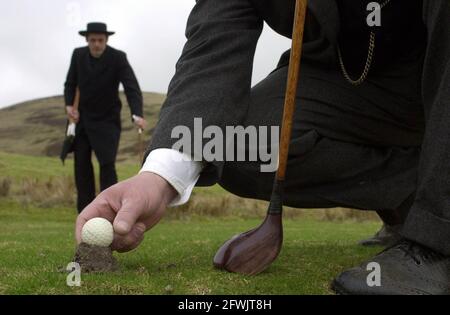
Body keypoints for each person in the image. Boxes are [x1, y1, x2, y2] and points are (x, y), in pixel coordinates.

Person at [75, 1, 450, 294]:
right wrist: (160, 176)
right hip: (343, 81)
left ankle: (439, 232)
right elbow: (216, 35)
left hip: (437, 67)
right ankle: (412, 197)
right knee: (233, 146)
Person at [64, 22, 147, 213]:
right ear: (87, 40)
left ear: (106, 40)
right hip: (83, 121)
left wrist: (137, 113)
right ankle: (85, 213)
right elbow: (70, 83)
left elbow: (131, 87)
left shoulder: (118, 58)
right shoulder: (78, 55)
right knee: (81, 166)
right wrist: (69, 106)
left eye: (100, 40)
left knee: (107, 165)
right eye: (92, 40)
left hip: (107, 122)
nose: (96, 44)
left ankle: (110, 210)